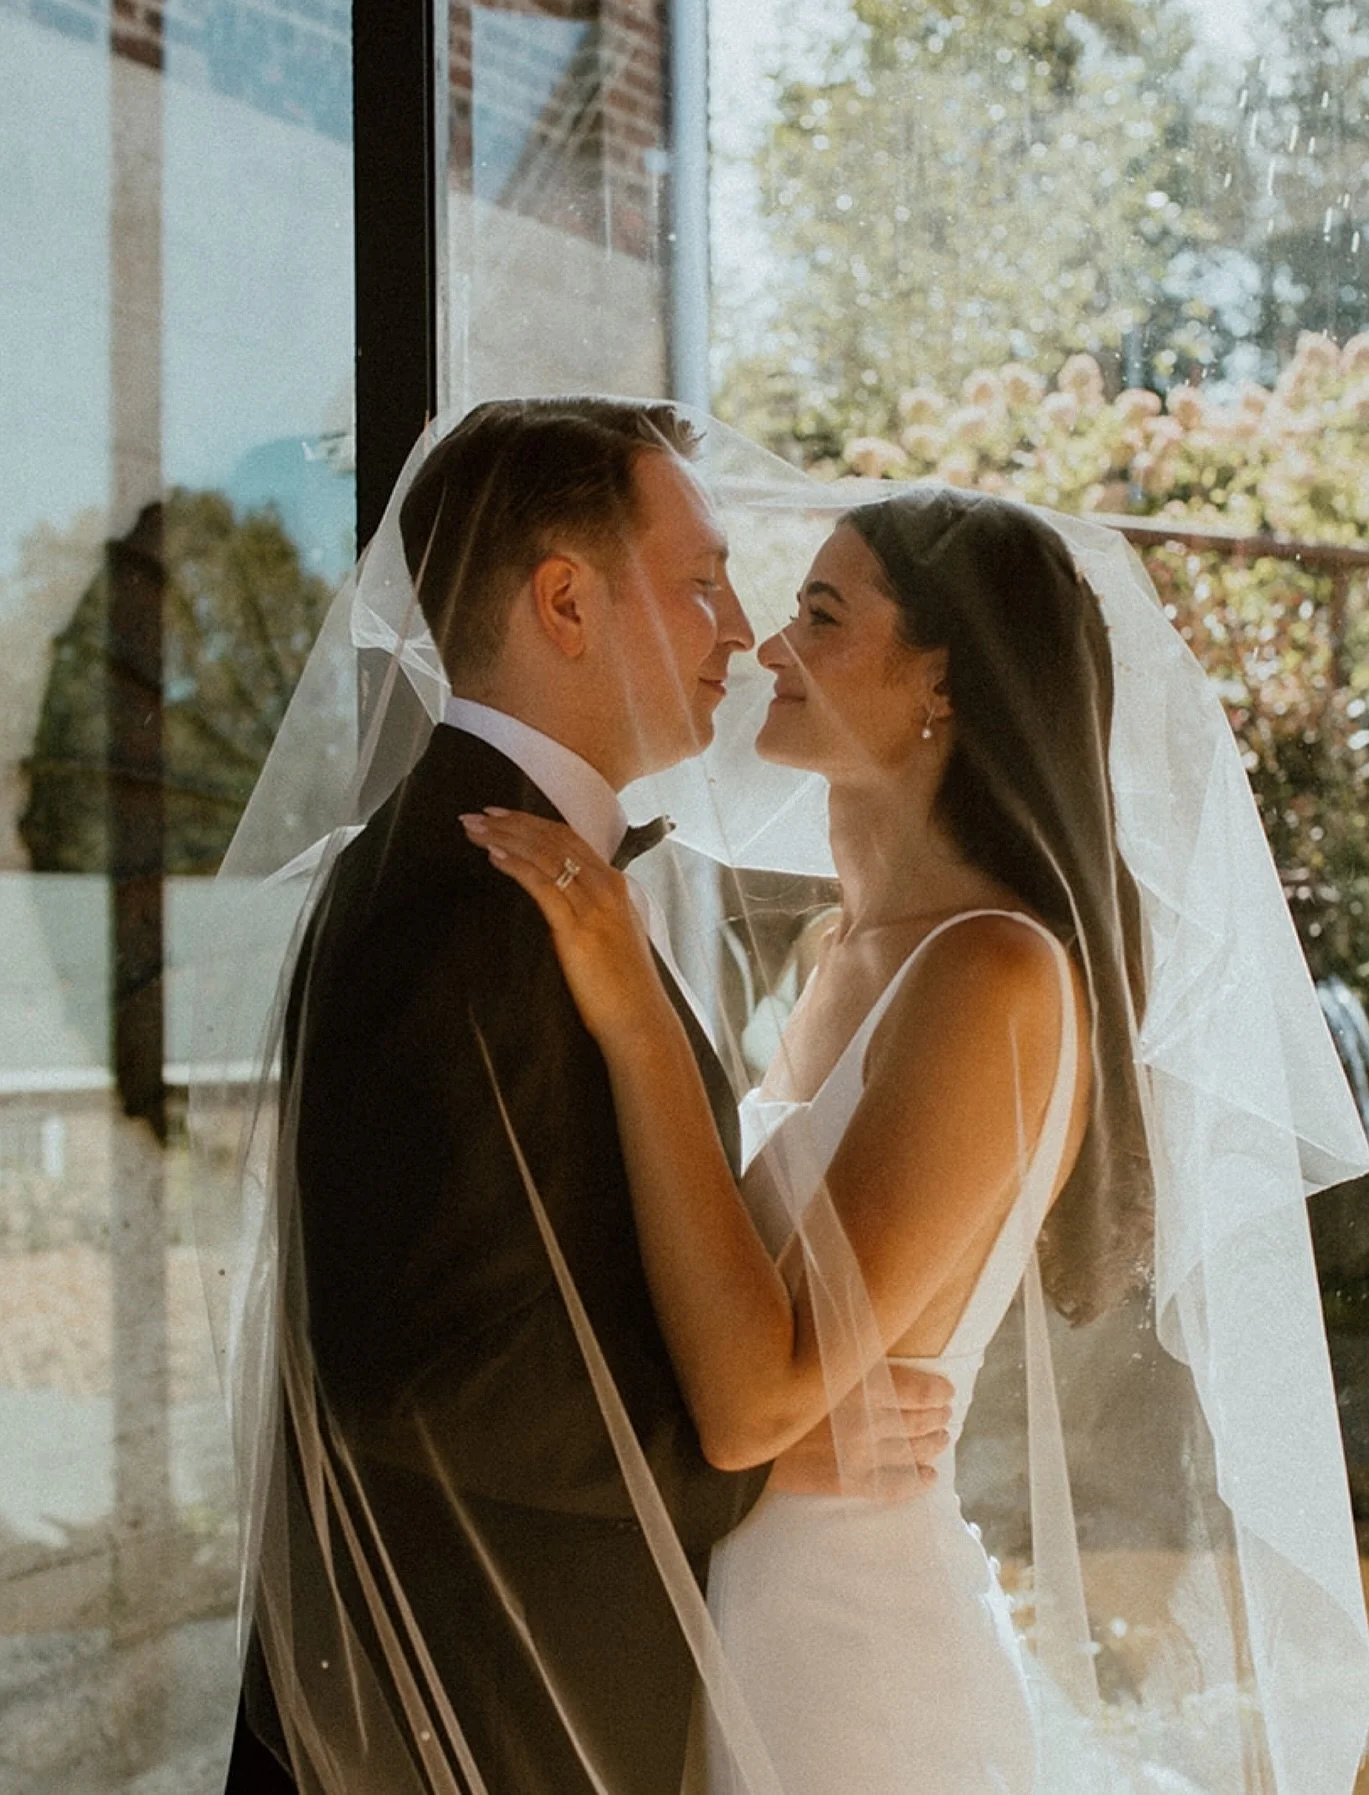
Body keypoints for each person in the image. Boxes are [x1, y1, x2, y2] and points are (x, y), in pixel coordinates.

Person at [461, 482, 1369, 1794]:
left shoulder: (991, 975)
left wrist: (638, 1019)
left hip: (858, 1680)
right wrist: (780, 1441)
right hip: (746, 1628)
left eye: (822, 617)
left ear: (941, 677)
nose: (768, 648)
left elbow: (752, 1393)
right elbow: (732, 1341)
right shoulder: (848, 954)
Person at [217, 398, 954, 1795]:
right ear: (564, 598)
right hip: (469, 1717)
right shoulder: (461, 903)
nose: (739, 630)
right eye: (699, 582)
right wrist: (755, 1462)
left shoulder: (516, 869)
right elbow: (420, 1380)